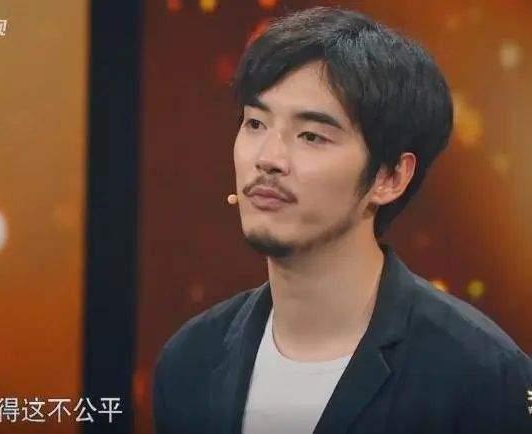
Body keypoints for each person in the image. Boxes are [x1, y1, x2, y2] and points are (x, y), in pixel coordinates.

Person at [152, 6, 532, 434]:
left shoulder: (480, 378)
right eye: (255, 123)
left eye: (311, 136)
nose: (268, 159)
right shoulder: (191, 361)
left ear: (390, 177)